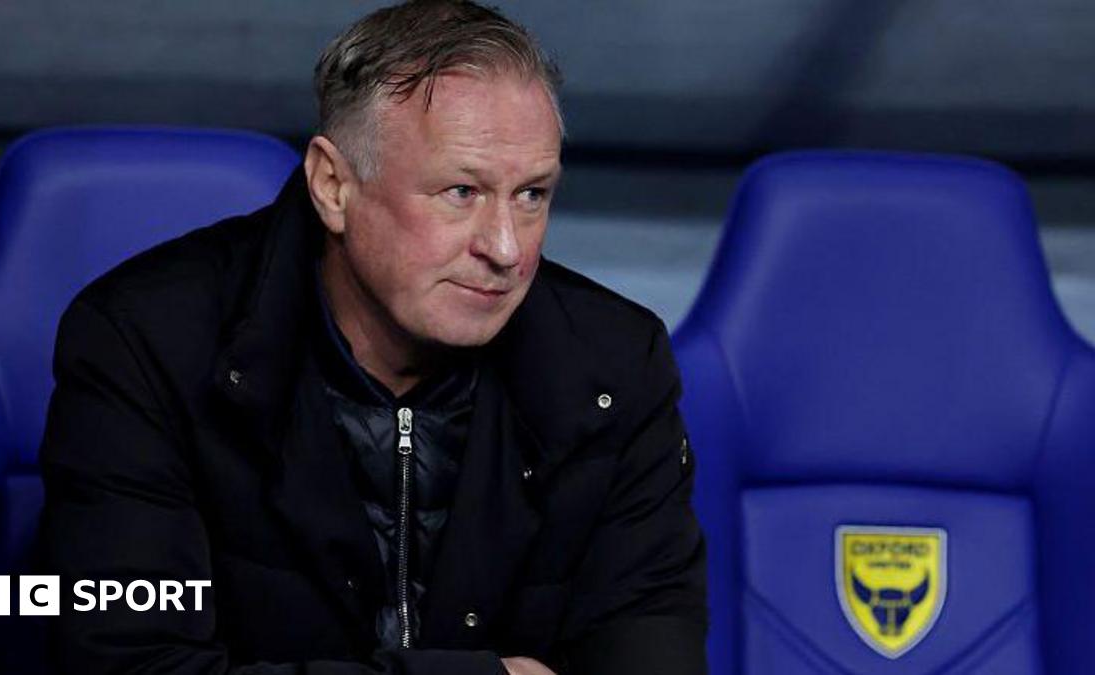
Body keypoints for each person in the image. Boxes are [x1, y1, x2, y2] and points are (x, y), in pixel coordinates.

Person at [37, 1, 708, 673]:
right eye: (461, 191)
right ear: (333, 185)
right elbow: (129, 664)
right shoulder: (144, 344)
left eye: (532, 194)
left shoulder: (617, 366)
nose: (507, 249)